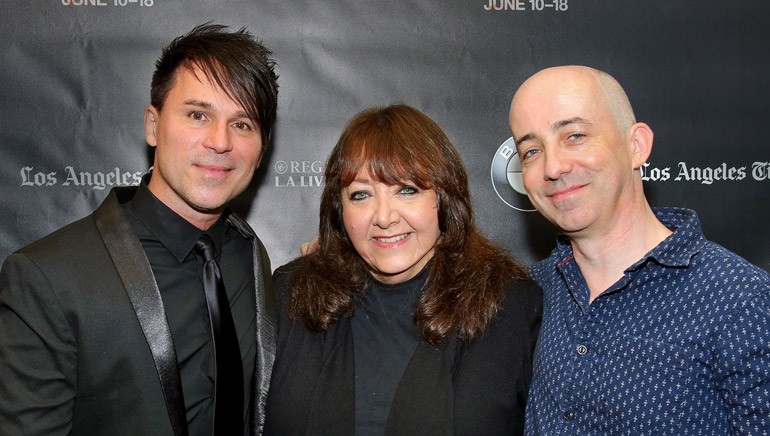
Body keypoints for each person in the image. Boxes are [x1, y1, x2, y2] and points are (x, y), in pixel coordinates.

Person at [0, 23, 279, 436]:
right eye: (198, 114)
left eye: (242, 124)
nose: (220, 142)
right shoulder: (46, 278)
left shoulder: (250, 254)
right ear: (153, 125)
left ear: (262, 147)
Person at [509, 65, 770, 434]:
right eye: (532, 151)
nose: (553, 167)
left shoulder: (740, 299)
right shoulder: (529, 292)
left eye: (575, 135)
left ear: (636, 146)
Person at [264, 104, 542, 435]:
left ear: (443, 197)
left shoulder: (509, 305)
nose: (384, 217)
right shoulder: (293, 293)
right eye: (361, 195)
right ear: (340, 210)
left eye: (407, 190)